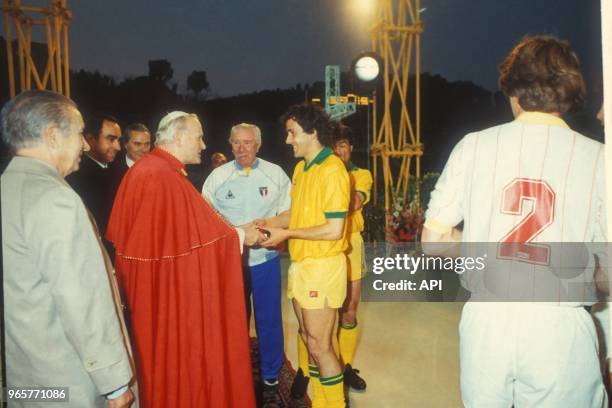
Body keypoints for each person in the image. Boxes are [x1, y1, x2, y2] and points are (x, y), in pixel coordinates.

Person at [421, 36, 607, 406]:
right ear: (569, 92)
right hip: (560, 325)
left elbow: (433, 242)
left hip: (487, 321)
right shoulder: (600, 158)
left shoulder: (473, 145)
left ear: (513, 88)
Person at [106, 111, 259, 408]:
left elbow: (184, 241)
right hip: (166, 302)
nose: (203, 145)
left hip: (153, 296)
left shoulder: (153, 170)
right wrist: (242, 236)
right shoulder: (161, 176)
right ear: (178, 137)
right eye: (198, 137)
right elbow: (198, 246)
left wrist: (236, 232)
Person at [1, 90, 134, 407]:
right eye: (78, 133)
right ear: (51, 136)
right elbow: (81, 299)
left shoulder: (7, 187)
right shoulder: (55, 199)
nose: (87, 145)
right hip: (68, 382)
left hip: (26, 378)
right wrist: (114, 384)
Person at [259, 103, 350, 408]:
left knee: (321, 346)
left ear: (312, 133)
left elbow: (334, 229)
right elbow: (295, 215)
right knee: (308, 339)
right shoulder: (301, 169)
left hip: (323, 266)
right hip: (302, 265)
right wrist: (269, 223)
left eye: (292, 133)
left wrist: (287, 235)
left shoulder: (333, 169)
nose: (288, 140)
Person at [202, 123, 290, 406]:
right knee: (234, 320)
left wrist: (273, 229)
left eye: (248, 142)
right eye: (236, 143)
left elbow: (290, 212)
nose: (242, 149)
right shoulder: (218, 177)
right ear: (230, 144)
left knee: (269, 321)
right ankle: (234, 372)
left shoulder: (275, 174)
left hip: (265, 260)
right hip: (231, 263)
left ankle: (270, 376)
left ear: (258, 145)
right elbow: (205, 217)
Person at [291, 123, 372, 399]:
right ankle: (305, 370)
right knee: (311, 322)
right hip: (316, 247)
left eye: (343, 145)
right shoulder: (308, 169)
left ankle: (345, 366)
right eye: (334, 145)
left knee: (348, 311)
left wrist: (330, 184)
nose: (338, 150)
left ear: (350, 148)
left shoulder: (359, 175)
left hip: (350, 245)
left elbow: (354, 204)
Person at [66, 113, 121, 236]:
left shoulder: (120, 170)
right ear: (90, 139)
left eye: (118, 140)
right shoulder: (75, 176)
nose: (118, 147)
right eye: (111, 139)